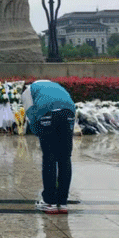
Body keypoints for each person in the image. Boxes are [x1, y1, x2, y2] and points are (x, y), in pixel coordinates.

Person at [20, 80, 76, 214]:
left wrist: (39, 132)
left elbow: (32, 115)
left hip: (47, 113)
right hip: (68, 112)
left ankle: (49, 202)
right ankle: (62, 203)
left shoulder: (27, 91)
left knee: (49, 157)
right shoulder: (54, 85)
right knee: (64, 158)